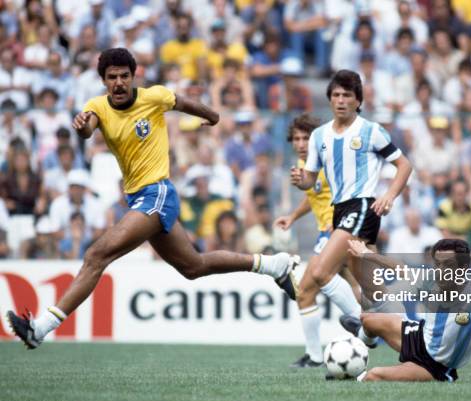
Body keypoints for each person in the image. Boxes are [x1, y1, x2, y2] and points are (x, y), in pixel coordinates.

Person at [6, 48, 299, 350]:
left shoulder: (153, 97)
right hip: (139, 199)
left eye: (124, 76)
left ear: (133, 78)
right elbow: (89, 127)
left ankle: (40, 328)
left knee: (97, 254)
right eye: (112, 78)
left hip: (157, 192)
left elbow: (183, 102)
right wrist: (82, 129)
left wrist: (212, 116)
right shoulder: (97, 107)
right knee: (194, 267)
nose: (118, 83)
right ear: (103, 81)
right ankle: (273, 265)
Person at [290, 70, 412, 365]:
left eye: (347, 95)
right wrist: (301, 180)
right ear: (330, 99)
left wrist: (388, 196)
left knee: (320, 272)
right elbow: (311, 179)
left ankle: (360, 323)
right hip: (340, 210)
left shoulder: (371, 130)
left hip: (363, 208)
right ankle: (409, 339)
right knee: (367, 285)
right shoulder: (319, 137)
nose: (341, 100)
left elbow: (405, 166)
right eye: (336, 95)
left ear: (358, 101)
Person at [342, 238, 471, 383]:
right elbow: (398, 268)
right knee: (368, 319)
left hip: (434, 366)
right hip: (420, 339)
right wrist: (366, 254)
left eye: (448, 265)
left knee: (375, 375)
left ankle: (348, 372)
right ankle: (362, 338)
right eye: (438, 264)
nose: (441, 270)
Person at [275, 113, 362, 368]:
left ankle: (363, 327)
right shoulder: (307, 166)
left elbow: (346, 191)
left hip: (335, 231)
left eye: (306, 138)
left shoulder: (327, 161)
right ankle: (318, 354)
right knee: (349, 288)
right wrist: (293, 216)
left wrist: (339, 222)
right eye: (297, 139)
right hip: (333, 232)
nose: (301, 143)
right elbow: (314, 195)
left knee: (306, 289)